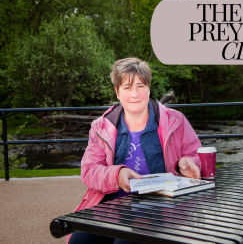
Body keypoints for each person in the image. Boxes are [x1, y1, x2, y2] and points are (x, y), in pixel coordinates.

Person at [67, 58, 202, 244]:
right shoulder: (100, 127)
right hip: (112, 205)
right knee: (79, 241)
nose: (135, 94)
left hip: (161, 206)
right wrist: (117, 174)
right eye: (127, 87)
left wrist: (187, 163)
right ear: (117, 92)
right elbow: (89, 171)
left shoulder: (175, 120)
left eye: (140, 86)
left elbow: (197, 154)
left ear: (148, 88)